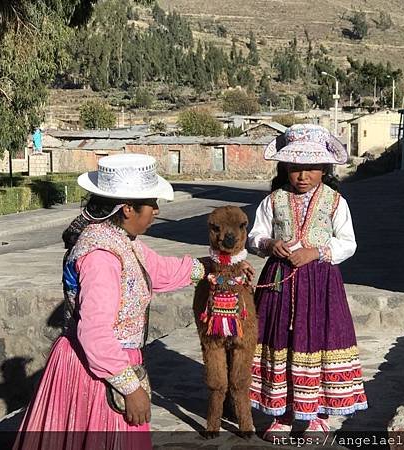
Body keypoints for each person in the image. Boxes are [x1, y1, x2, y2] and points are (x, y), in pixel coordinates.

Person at [13, 154, 252, 450]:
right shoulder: (101, 257)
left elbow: (160, 271)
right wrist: (130, 389)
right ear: (127, 208)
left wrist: (215, 265)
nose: (156, 210)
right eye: (151, 203)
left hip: (109, 363)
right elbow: (95, 334)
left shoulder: (122, 240)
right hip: (97, 373)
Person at [248, 124, 368, 440]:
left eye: (312, 168)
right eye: (296, 168)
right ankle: (284, 413)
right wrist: (268, 245)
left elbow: (349, 242)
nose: (303, 176)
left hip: (320, 284)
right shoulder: (273, 201)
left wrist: (317, 252)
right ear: (285, 167)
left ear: (325, 168)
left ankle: (316, 415)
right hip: (279, 284)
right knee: (281, 342)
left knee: (319, 341)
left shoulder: (335, 201)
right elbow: (255, 235)